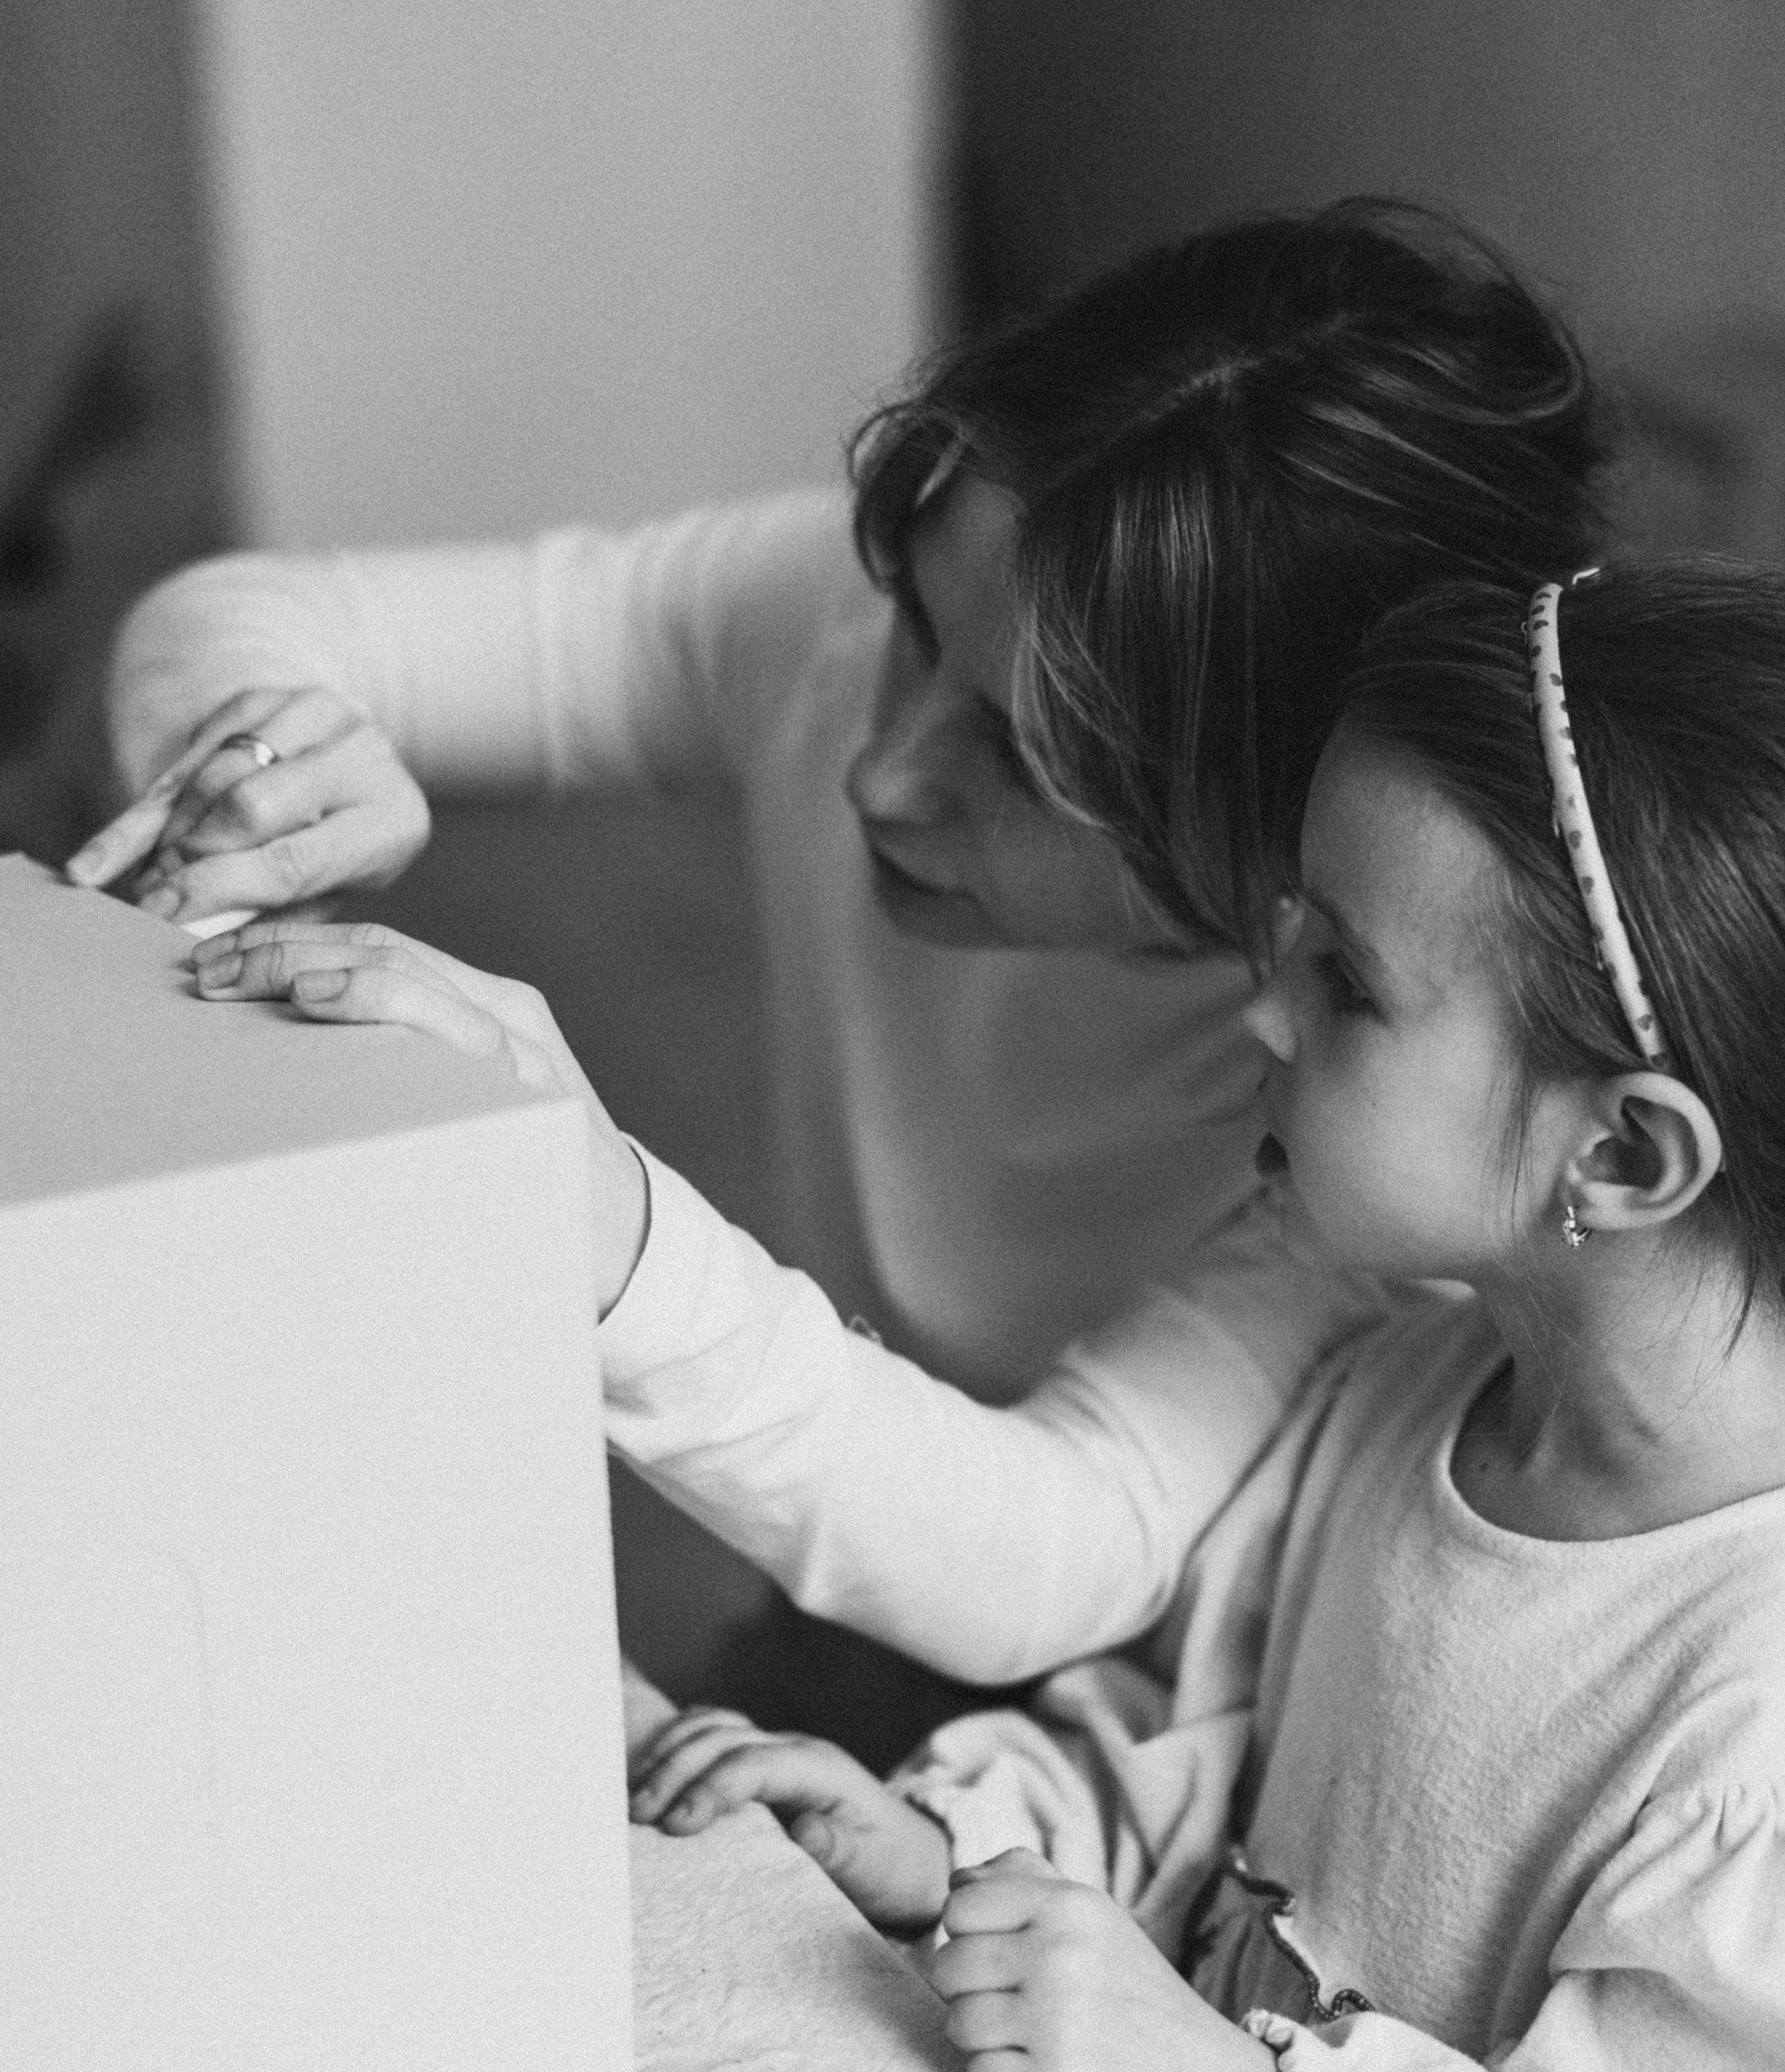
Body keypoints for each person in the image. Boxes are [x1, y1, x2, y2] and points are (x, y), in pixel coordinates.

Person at [194, 557, 1785, 2072]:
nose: (1257, 1007)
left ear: (1632, 1153)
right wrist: (964, 1851)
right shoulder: (1414, 1390)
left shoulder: (1752, 1726)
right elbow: (1204, 1763)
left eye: (1349, 980)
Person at [70, 202, 1606, 1756]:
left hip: (1192, 1752)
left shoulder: (1408, 1079)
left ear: (1275, 827)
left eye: (1026, 758)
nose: (881, 770)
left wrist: (609, 1229)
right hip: (846, 1591)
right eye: (914, 629)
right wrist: (265, 758)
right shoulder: (863, 617)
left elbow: (1063, 1546)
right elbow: (241, 615)